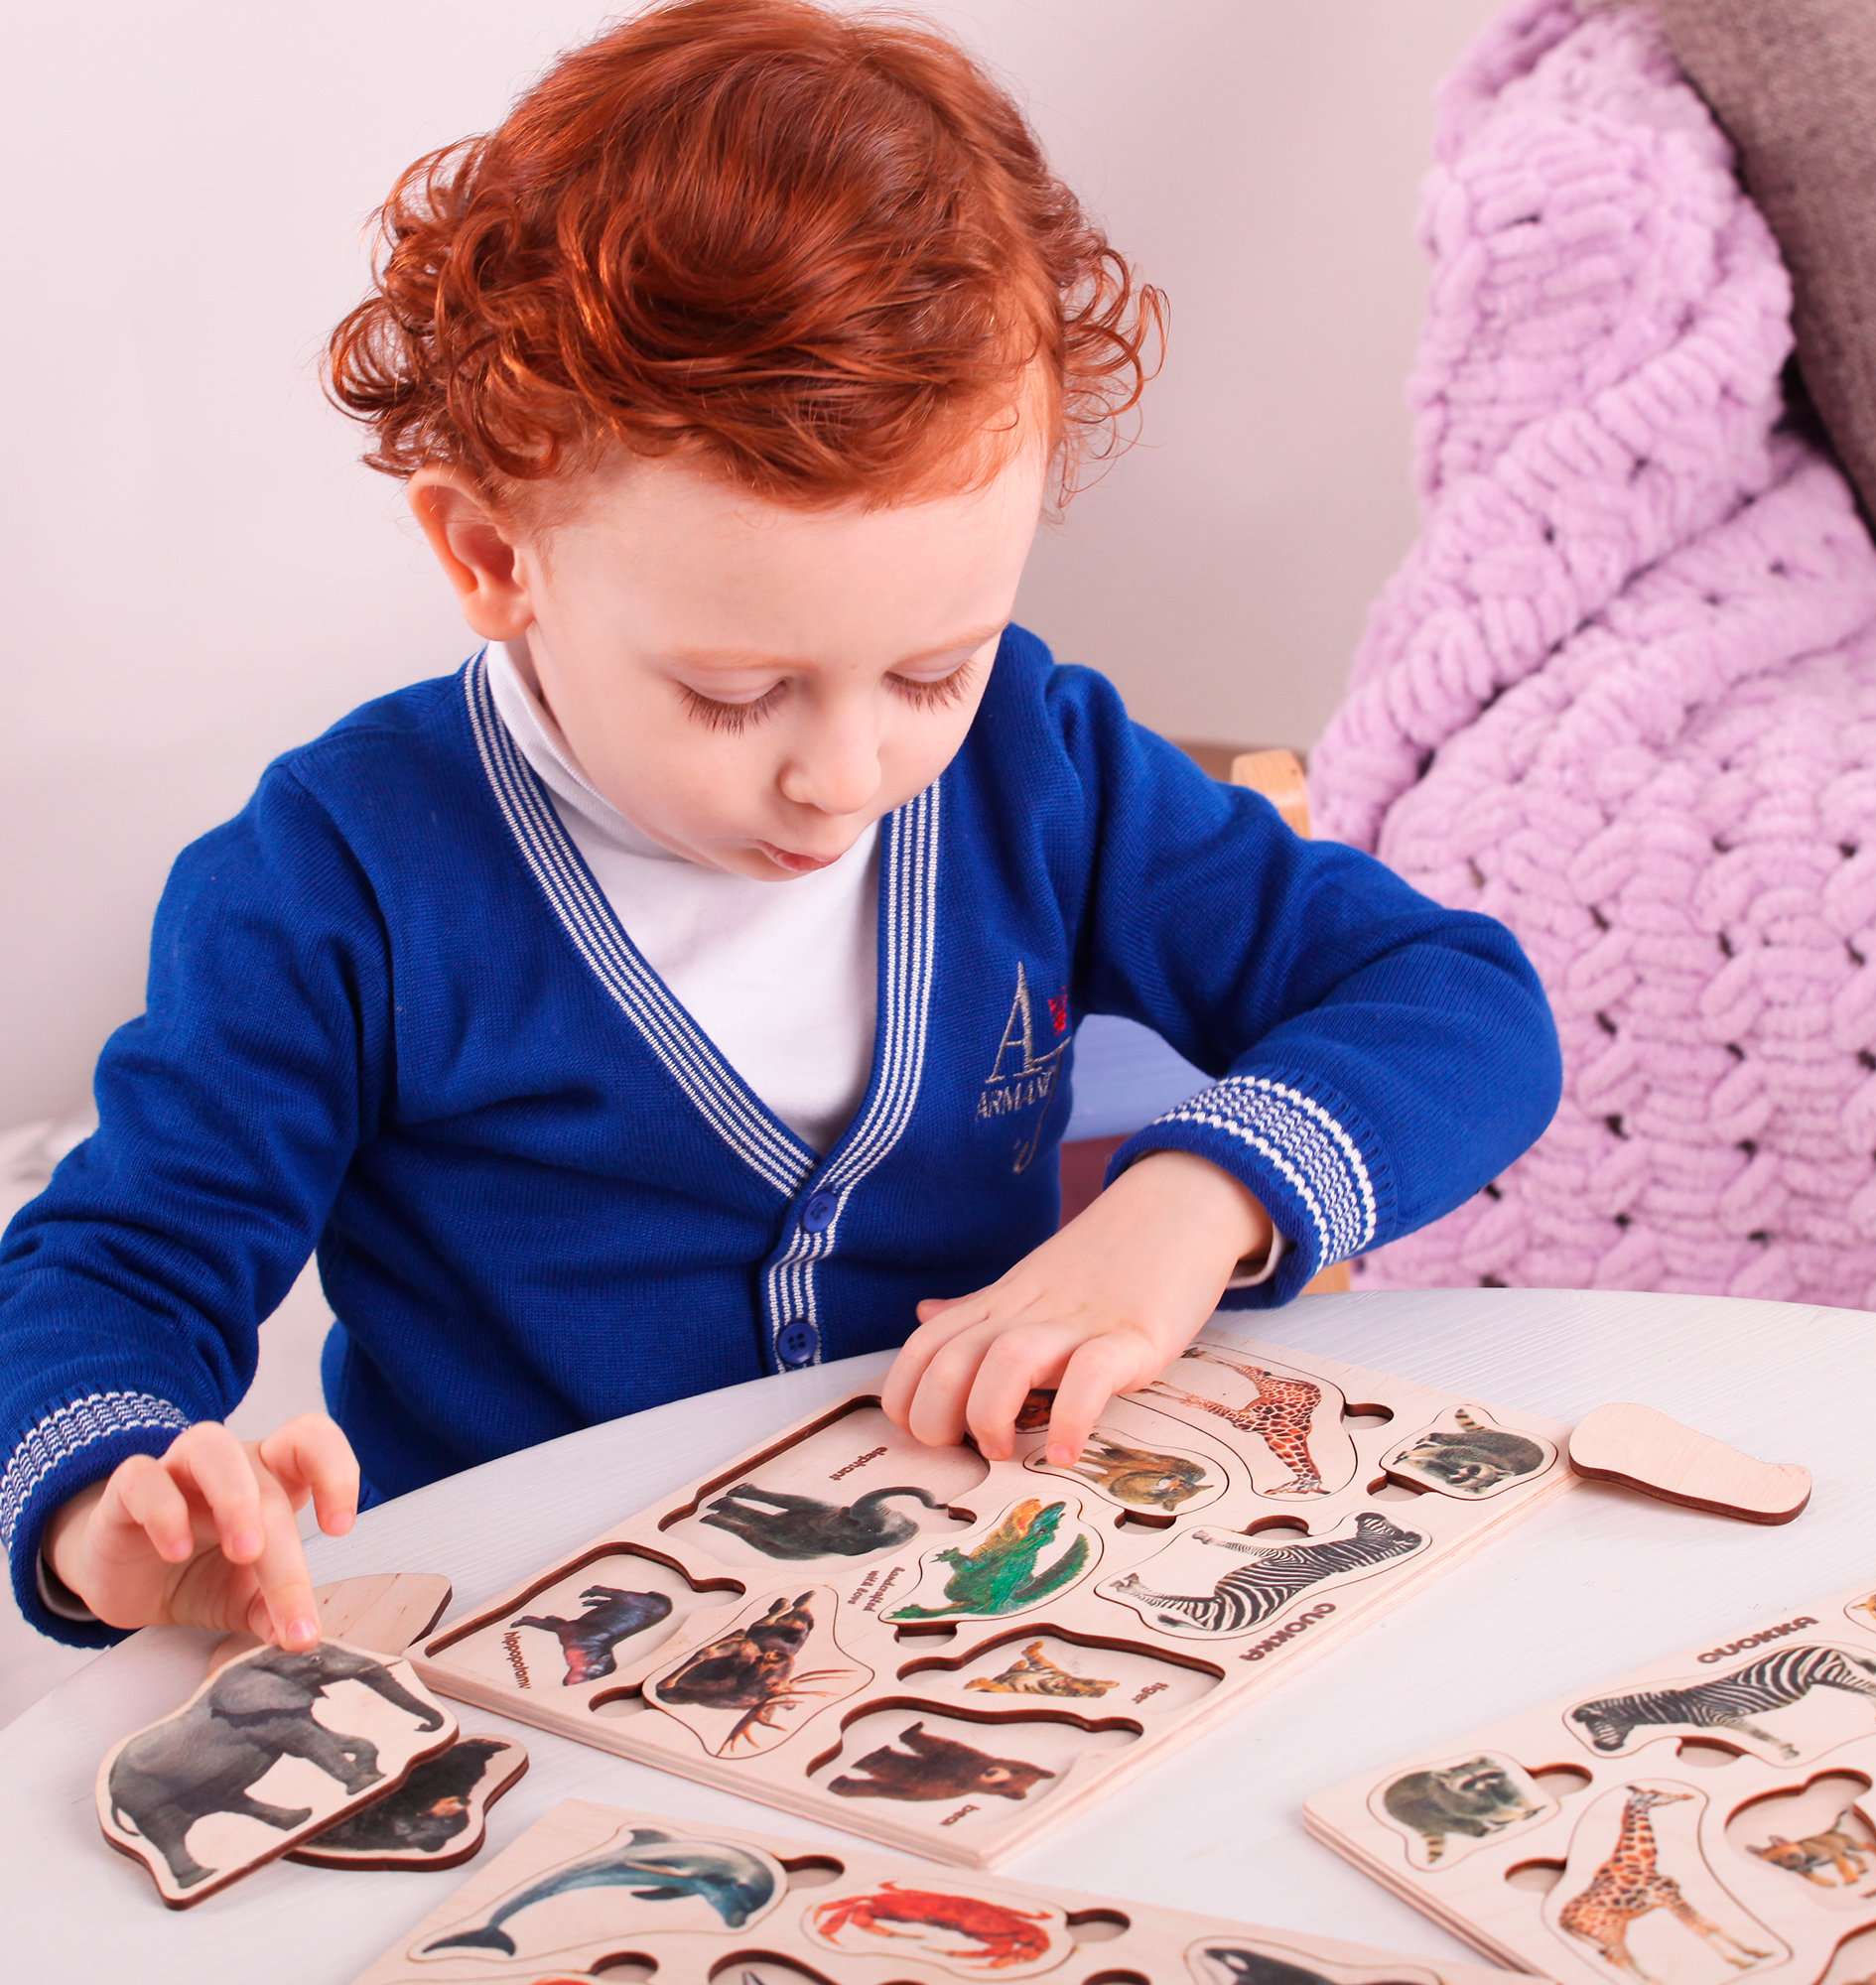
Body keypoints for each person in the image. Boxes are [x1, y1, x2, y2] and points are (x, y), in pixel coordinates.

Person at [0, 0, 1560, 1656]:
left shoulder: (1037, 763)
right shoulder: (335, 882)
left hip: (985, 1628)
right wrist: (115, 1500)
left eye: (928, 667)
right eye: (738, 694)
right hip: (520, 1664)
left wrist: (1188, 1206)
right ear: (492, 557)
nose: (850, 770)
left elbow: (1462, 1005)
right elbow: (114, 1264)